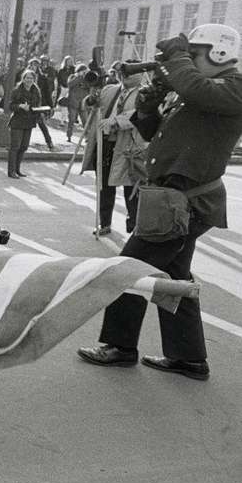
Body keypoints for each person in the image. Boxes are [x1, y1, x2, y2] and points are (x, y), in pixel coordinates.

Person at [78, 24, 242, 381]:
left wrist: (177, 59)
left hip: (184, 202)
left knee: (128, 268)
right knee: (174, 276)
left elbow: (196, 87)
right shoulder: (198, 92)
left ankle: (119, 346)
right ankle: (188, 357)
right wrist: (149, 107)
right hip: (172, 199)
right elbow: (153, 132)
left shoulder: (233, 88)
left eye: (195, 54)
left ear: (219, 53)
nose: (189, 61)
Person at [81, 63, 147, 235]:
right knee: (104, 185)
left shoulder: (144, 93)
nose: (125, 76)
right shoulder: (109, 89)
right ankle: (104, 223)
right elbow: (91, 105)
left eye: (131, 73)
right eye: (123, 73)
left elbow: (139, 114)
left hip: (128, 147)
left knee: (130, 187)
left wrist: (116, 120)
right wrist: (90, 99)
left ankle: (134, 226)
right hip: (105, 144)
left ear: (140, 75)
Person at [7, 69, 42, 179]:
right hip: (17, 121)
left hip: (29, 122)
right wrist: (20, 106)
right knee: (15, 146)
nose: (29, 80)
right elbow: (10, 105)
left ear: (34, 80)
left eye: (31, 78)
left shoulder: (36, 91)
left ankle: (17, 169)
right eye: (27, 78)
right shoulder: (17, 90)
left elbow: (37, 105)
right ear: (23, 79)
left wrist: (39, 110)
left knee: (24, 147)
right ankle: (11, 171)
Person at [27, 57, 56, 150]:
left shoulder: (42, 78)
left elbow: (47, 92)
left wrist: (51, 106)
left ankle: (49, 142)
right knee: (26, 124)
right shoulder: (24, 77)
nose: (33, 67)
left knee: (42, 124)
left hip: (38, 104)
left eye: (35, 65)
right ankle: (24, 143)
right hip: (27, 103)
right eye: (32, 65)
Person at [66, 63, 90, 142]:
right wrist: (79, 77)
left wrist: (86, 80)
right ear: (79, 71)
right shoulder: (72, 76)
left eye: (85, 72)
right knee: (71, 120)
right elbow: (69, 84)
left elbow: (90, 87)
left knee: (85, 121)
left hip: (83, 103)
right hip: (73, 102)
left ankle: (87, 137)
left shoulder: (87, 78)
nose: (84, 73)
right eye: (83, 71)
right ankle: (69, 136)